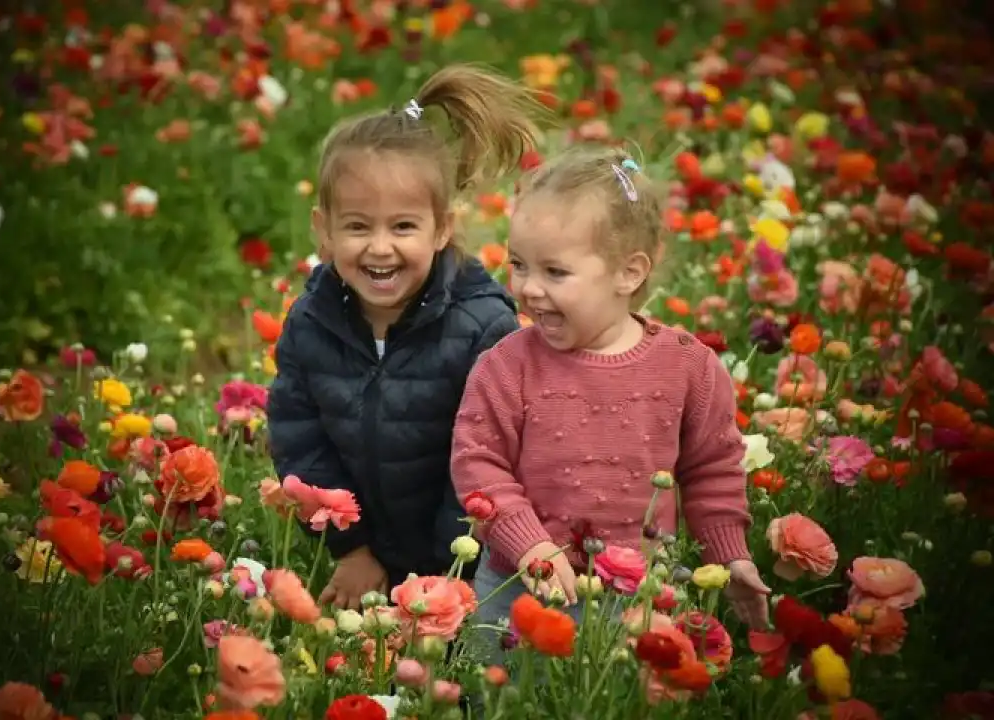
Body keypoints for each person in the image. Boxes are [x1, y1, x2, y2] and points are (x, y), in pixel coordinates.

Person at [451, 147, 771, 655]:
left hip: (638, 596)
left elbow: (712, 471)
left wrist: (730, 557)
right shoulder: (506, 365)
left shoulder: (686, 366)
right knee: (504, 699)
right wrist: (527, 542)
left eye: (555, 272)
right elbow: (478, 464)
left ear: (628, 273)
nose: (528, 289)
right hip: (519, 588)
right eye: (518, 265)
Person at [267, 64, 542, 611]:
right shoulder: (311, 323)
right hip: (369, 550)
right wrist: (351, 549)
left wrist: (444, 570)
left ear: (441, 228)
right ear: (323, 230)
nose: (379, 248)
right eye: (357, 226)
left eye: (402, 227)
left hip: (470, 557)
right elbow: (300, 440)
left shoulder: (481, 328)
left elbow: (485, 461)